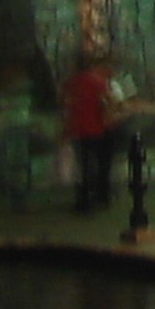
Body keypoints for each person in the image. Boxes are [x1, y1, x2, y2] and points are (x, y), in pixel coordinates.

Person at [60, 53, 118, 213]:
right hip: (97, 128)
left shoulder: (71, 83)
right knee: (101, 164)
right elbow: (108, 103)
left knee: (84, 165)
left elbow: (64, 104)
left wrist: (66, 127)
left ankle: (84, 199)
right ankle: (100, 196)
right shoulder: (99, 83)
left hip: (78, 129)